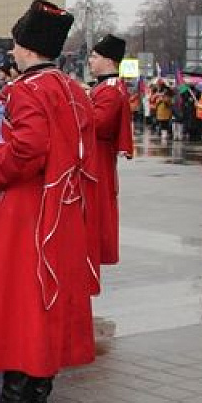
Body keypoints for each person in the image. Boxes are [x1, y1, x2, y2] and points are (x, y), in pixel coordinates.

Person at [0, 0, 98, 403]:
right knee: (46, 300)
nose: (12, 50)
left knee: (17, 300)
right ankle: (37, 398)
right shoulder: (74, 90)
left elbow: (27, 150)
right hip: (63, 210)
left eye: (16, 43)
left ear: (26, 47)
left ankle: (16, 399)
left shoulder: (27, 91)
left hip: (27, 210)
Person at [88, 34, 134, 269]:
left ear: (109, 61)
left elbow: (98, 122)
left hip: (98, 156)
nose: (90, 61)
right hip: (96, 153)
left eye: (95, 56)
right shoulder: (105, 87)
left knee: (95, 206)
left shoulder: (111, 90)